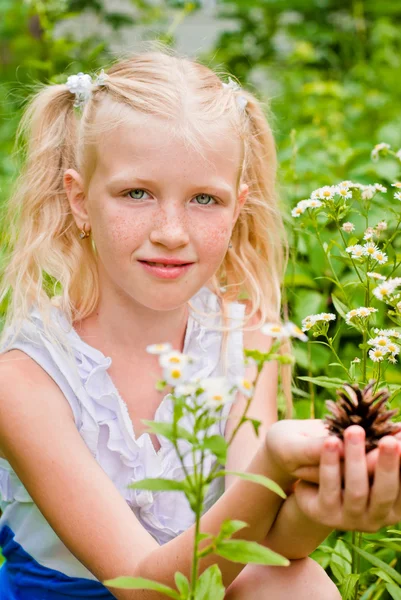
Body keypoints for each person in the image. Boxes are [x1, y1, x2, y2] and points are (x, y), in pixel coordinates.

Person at [0, 45, 400, 600]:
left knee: (295, 584)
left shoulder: (246, 337)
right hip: (91, 593)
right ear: (80, 200)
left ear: (237, 208)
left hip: (209, 580)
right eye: (136, 193)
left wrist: (317, 501)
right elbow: (144, 586)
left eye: (204, 199)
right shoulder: (25, 377)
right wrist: (276, 461)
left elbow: (269, 546)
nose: (171, 230)